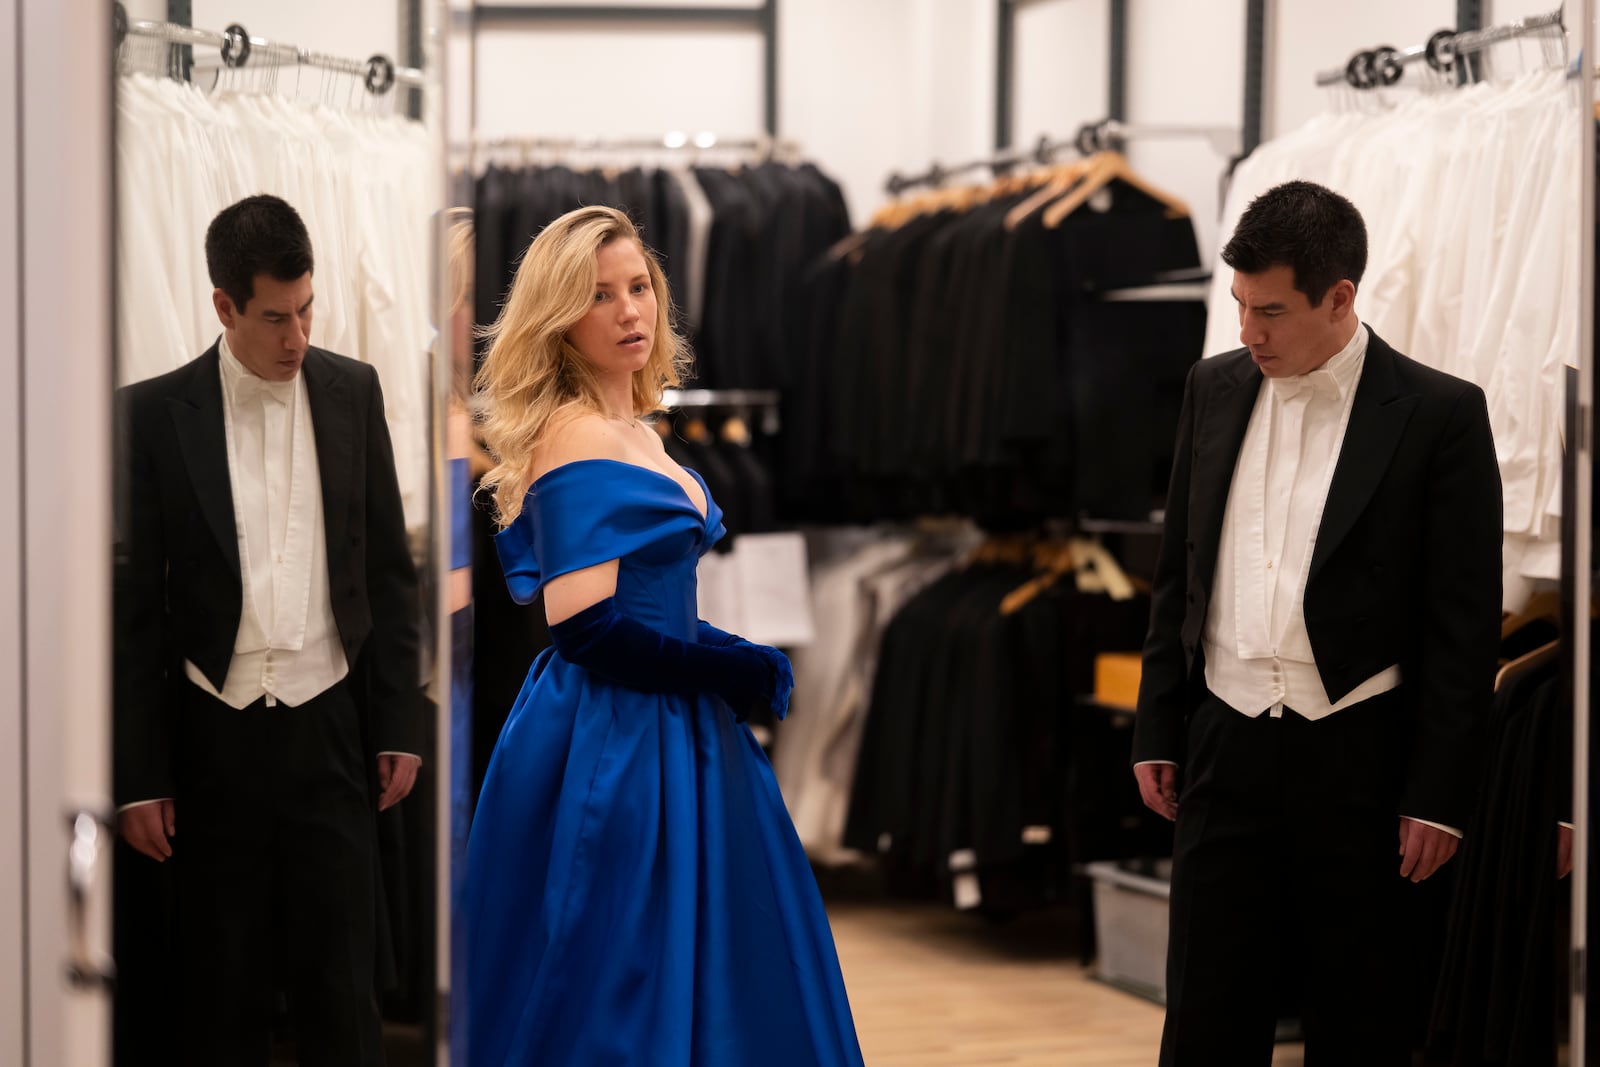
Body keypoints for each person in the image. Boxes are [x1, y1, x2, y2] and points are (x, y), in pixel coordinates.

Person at [462, 205, 865, 1067]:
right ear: (562, 318)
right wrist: (727, 661)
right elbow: (588, 630)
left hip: (669, 725)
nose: (630, 311)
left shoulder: (635, 430)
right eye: (600, 296)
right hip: (616, 732)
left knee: (702, 958)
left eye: (639, 287)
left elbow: (652, 609)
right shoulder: (575, 437)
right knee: (620, 969)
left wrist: (723, 658)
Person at [1132, 180, 1502, 1066]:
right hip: (1223, 744)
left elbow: (1463, 625)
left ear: (1340, 299)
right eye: (1239, 307)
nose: (1249, 332)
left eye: (1271, 311)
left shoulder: (1441, 414)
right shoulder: (1212, 386)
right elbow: (1178, 572)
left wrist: (1440, 795)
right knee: (1206, 1019)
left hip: (1362, 754)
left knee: (1364, 1017)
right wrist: (1158, 722)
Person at [113, 193, 423, 1066]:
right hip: (212, 731)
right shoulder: (148, 415)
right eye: (276, 317)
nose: (297, 337)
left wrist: (399, 720)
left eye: (308, 309)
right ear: (224, 307)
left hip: (331, 725)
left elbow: (392, 578)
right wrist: (138, 775)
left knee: (342, 989)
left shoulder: (352, 390)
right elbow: (133, 613)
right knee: (219, 993)